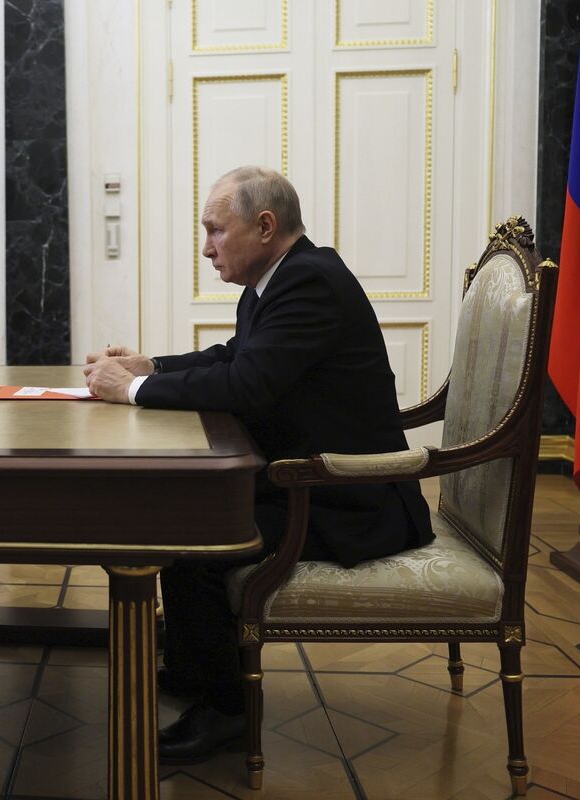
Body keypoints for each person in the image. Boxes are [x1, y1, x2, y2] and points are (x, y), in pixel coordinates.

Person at [83, 166, 434, 765]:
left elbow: (246, 384)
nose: (206, 246)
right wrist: (153, 366)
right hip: (311, 478)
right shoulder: (283, 277)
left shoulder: (309, 282)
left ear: (265, 226)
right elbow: (237, 356)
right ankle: (199, 668)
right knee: (185, 507)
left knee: (196, 534)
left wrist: (133, 390)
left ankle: (227, 712)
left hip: (347, 499)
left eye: (215, 230)